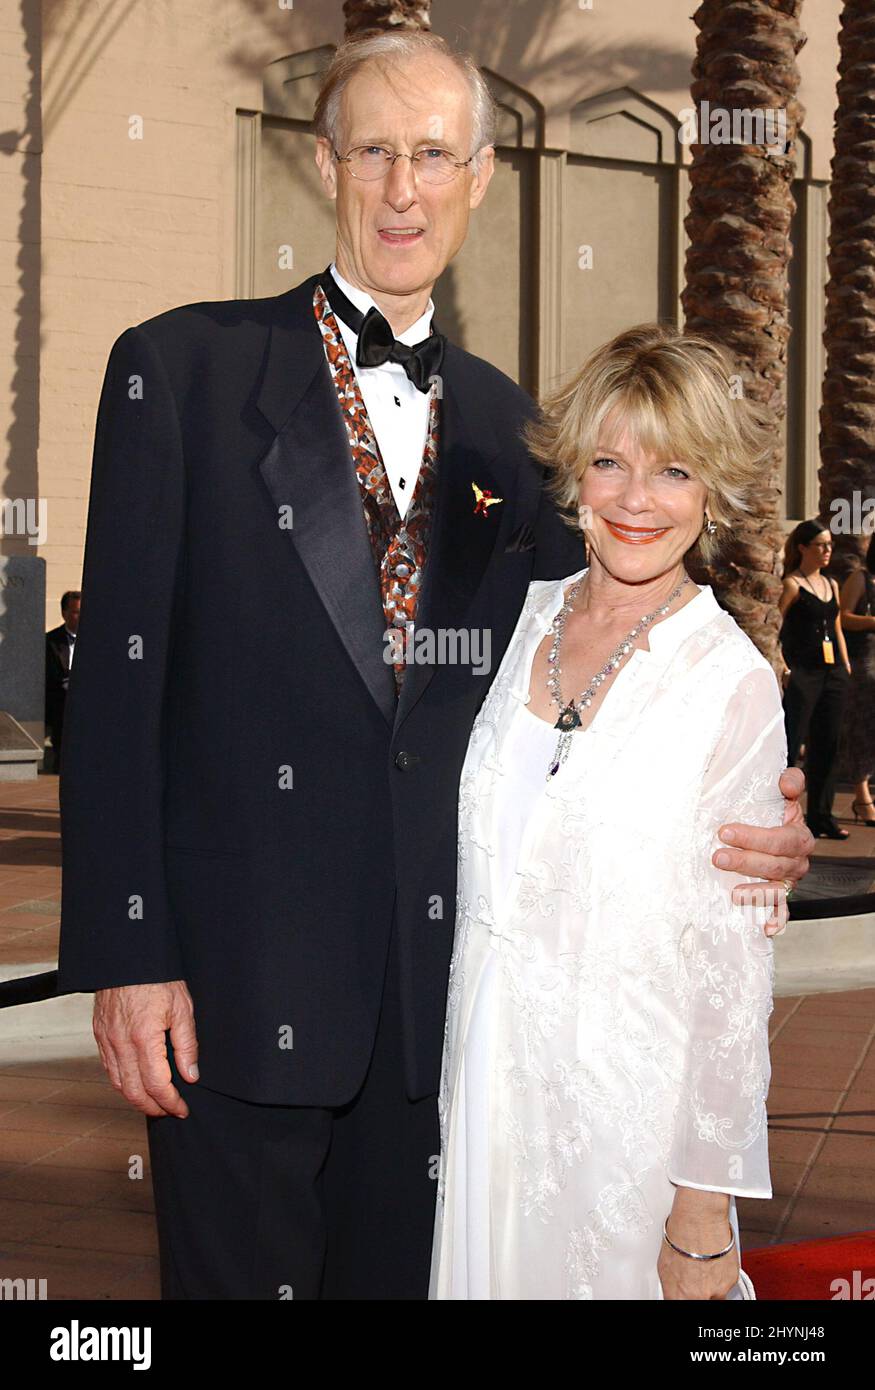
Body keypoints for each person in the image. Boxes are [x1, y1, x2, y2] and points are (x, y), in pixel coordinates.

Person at [57, 31, 812, 1302]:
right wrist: (129, 957)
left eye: (432, 156)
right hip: (229, 1005)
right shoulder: (178, 371)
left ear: (478, 176)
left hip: (440, 1034)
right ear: (324, 164)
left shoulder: (518, 442)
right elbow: (114, 695)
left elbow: (587, 672)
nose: (402, 189)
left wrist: (748, 823)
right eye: (374, 152)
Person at [430, 324, 789, 1301]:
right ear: (571, 477)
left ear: (712, 488)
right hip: (481, 1101)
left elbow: (730, 975)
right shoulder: (521, 615)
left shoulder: (730, 683)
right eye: (608, 462)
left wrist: (701, 1213)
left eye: (672, 469)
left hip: (627, 1131)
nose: (636, 499)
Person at [779, 520, 852, 840]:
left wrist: (845, 665)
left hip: (833, 672)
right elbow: (775, 627)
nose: (827, 551)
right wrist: (783, 666)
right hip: (803, 673)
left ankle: (821, 816)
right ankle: (779, 815)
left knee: (828, 745)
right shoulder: (792, 585)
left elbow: (836, 628)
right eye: (821, 545)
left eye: (830, 545)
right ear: (802, 548)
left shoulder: (832, 584)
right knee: (791, 746)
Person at [839, 533, 875, 826]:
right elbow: (844, 617)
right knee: (863, 727)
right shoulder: (862, 578)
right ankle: (862, 796)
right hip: (867, 663)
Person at [45, 590, 80, 774]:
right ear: (64, 614)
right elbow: (48, 678)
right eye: (76, 612)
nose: (81, 617)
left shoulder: (97, 641)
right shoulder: (50, 641)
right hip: (61, 701)